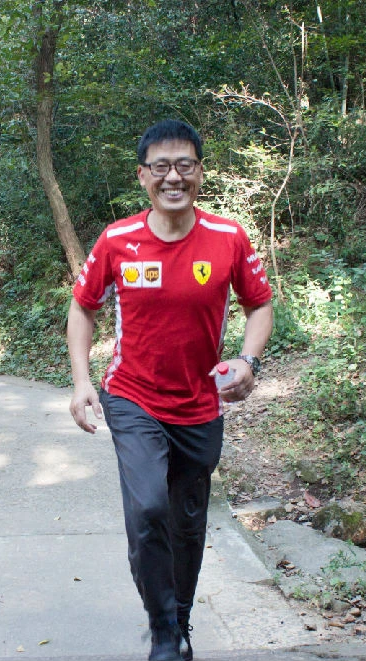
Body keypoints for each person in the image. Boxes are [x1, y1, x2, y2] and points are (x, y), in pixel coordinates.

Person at [67, 119, 273, 661]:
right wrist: (82, 382)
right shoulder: (117, 240)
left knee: (187, 522)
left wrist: (247, 360)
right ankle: (162, 633)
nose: (173, 177)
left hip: (201, 405)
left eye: (184, 165)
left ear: (200, 172)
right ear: (143, 176)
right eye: (161, 167)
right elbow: (82, 308)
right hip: (132, 396)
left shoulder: (228, 238)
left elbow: (259, 304)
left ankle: (179, 623)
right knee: (148, 509)